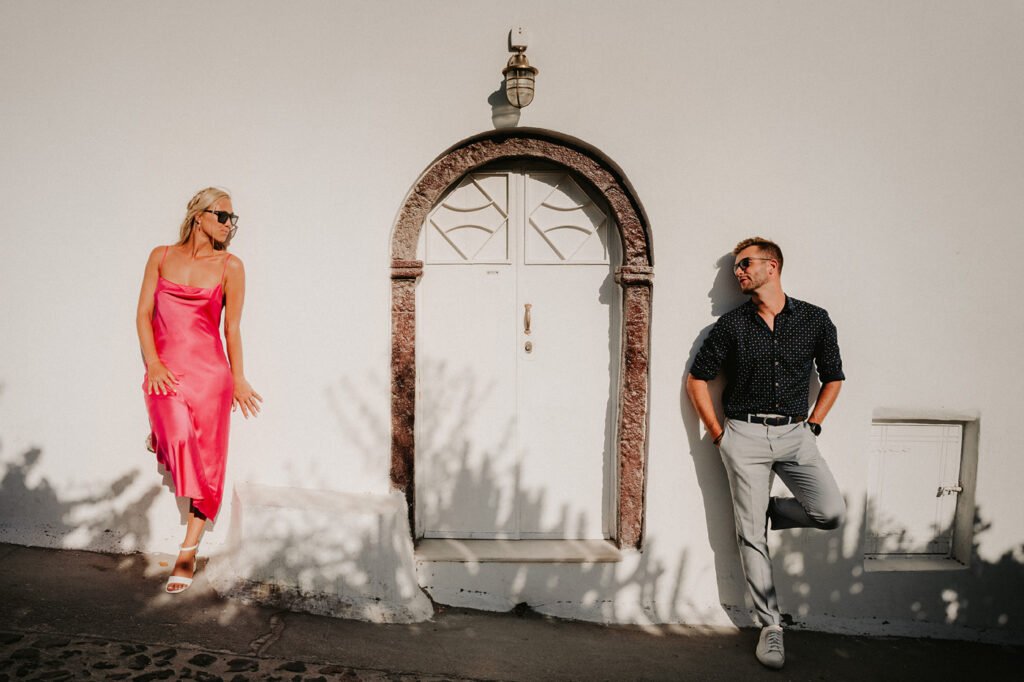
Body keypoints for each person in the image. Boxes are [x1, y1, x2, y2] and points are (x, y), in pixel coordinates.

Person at [685, 237, 846, 670]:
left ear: (771, 266)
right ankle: (771, 626)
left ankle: (766, 510)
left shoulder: (814, 319)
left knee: (831, 513)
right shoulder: (731, 325)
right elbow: (697, 380)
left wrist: (814, 424)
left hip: (796, 434)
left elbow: (833, 377)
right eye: (735, 267)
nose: (738, 272)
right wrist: (719, 435)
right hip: (744, 435)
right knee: (751, 537)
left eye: (745, 264)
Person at [136, 187, 262, 594]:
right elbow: (143, 314)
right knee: (174, 433)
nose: (229, 224)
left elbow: (232, 329)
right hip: (166, 372)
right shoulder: (160, 256)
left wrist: (238, 377)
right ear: (199, 216)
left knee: (208, 462)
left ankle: (188, 550)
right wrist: (153, 363)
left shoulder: (231, 266)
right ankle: (162, 438)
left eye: (232, 218)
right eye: (222, 215)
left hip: (211, 377)